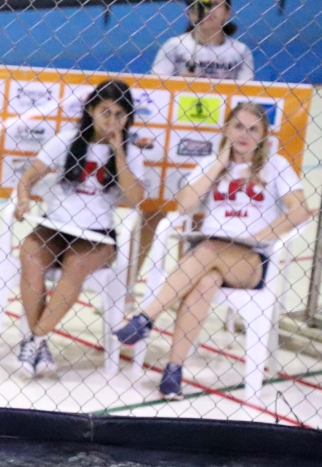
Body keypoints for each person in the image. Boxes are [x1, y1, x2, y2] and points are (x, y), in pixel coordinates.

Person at [114, 102, 311, 400]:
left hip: (250, 261)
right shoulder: (211, 164)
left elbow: (300, 210)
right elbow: (184, 206)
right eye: (238, 126)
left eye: (253, 129)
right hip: (208, 259)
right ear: (226, 128)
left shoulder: (276, 165)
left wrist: (259, 236)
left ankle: (145, 318)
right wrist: (218, 165)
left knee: (207, 250)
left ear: (263, 135)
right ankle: (173, 372)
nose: (244, 134)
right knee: (205, 282)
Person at [12, 80, 145, 376]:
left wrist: (118, 152)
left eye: (119, 115)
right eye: (105, 112)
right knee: (29, 254)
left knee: (75, 265)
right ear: (91, 110)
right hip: (55, 226)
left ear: (128, 118)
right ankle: (39, 343)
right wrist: (23, 200)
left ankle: (34, 340)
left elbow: (136, 199)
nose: (111, 121)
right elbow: (27, 179)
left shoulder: (131, 154)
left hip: (96, 235)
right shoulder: (66, 140)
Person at [139, 0, 259, 281]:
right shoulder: (174, 47)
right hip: (171, 143)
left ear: (228, 12)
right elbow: (153, 93)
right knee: (152, 214)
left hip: (214, 148)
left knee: (199, 219)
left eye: (215, 4)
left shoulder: (240, 52)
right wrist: (183, 84)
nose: (208, 11)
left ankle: (182, 284)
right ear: (190, 13)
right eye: (201, 5)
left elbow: (245, 101)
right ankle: (128, 283)